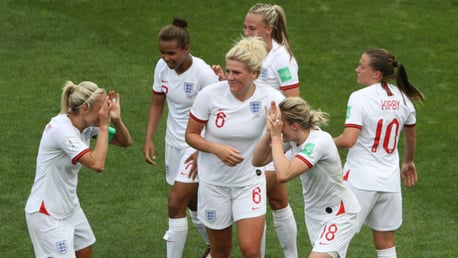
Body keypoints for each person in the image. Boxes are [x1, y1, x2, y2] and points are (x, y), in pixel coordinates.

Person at [213, 4, 300, 257]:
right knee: (276, 200)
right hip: (248, 136)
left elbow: (294, 99)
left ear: (269, 29)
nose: (246, 31)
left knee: (261, 199)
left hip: (269, 138)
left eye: (252, 28)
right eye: (244, 26)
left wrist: (280, 137)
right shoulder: (246, 52)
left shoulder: (281, 58)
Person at [185, 36, 284, 258]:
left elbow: (288, 133)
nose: (229, 77)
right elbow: (190, 135)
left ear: (254, 74)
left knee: (251, 251)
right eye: (228, 71)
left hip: (249, 183)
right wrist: (215, 149)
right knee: (221, 250)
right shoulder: (209, 95)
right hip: (213, 184)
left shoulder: (271, 98)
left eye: (236, 73)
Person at [25, 80, 133, 258]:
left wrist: (117, 121)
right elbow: (97, 164)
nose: (105, 111)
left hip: (69, 207)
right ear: (84, 109)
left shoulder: (87, 126)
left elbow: (125, 142)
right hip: (47, 213)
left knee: (84, 249)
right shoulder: (62, 130)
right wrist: (105, 126)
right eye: (102, 108)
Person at [334, 48, 425, 258]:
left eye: (362, 66)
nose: (357, 69)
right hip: (389, 182)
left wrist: (323, 143)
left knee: (336, 236)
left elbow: (349, 139)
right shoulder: (404, 99)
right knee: (386, 244)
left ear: (376, 74)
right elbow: (410, 137)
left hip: (360, 180)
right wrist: (408, 161)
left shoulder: (359, 98)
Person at [143, 17, 218, 258]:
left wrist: (201, 149)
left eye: (172, 53)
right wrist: (149, 138)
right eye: (163, 53)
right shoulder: (161, 67)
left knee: (175, 203)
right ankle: (215, 248)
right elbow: (157, 103)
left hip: (195, 146)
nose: (167, 58)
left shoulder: (204, 74)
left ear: (186, 49)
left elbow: (218, 114)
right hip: (173, 143)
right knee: (192, 202)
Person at [252, 97, 361, 258]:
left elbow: (284, 174)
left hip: (339, 214)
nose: (280, 129)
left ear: (294, 126)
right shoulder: (295, 138)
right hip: (315, 215)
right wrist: (269, 133)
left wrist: (275, 137)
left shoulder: (318, 142)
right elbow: (258, 160)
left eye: (282, 125)